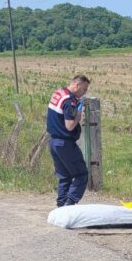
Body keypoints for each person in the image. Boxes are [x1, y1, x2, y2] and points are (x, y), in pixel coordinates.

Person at [46, 75, 90, 207]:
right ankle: (69, 204)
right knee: (81, 174)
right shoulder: (69, 101)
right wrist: (78, 115)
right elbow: (69, 125)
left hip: (53, 142)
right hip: (65, 143)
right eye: (84, 89)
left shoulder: (59, 93)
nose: (85, 92)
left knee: (64, 176)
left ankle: (61, 206)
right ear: (77, 86)